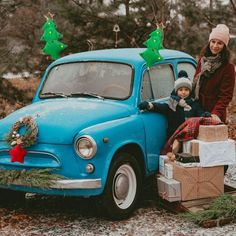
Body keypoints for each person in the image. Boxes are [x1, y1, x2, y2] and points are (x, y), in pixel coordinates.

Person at [139, 70, 211, 140]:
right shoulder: (172, 104)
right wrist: (149, 105)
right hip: (174, 136)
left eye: (186, 90)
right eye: (180, 90)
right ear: (176, 91)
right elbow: (161, 107)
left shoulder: (194, 104)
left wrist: (204, 115)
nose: (183, 92)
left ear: (190, 91)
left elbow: (200, 113)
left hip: (190, 136)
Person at [193, 24, 235, 123]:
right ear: (209, 42)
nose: (215, 46)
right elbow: (194, 83)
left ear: (224, 46)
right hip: (197, 109)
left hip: (214, 114)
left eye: (220, 43)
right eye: (213, 41)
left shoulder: (228, 67)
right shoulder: (202, 61)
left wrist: (215, 113)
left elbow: (226, 96)